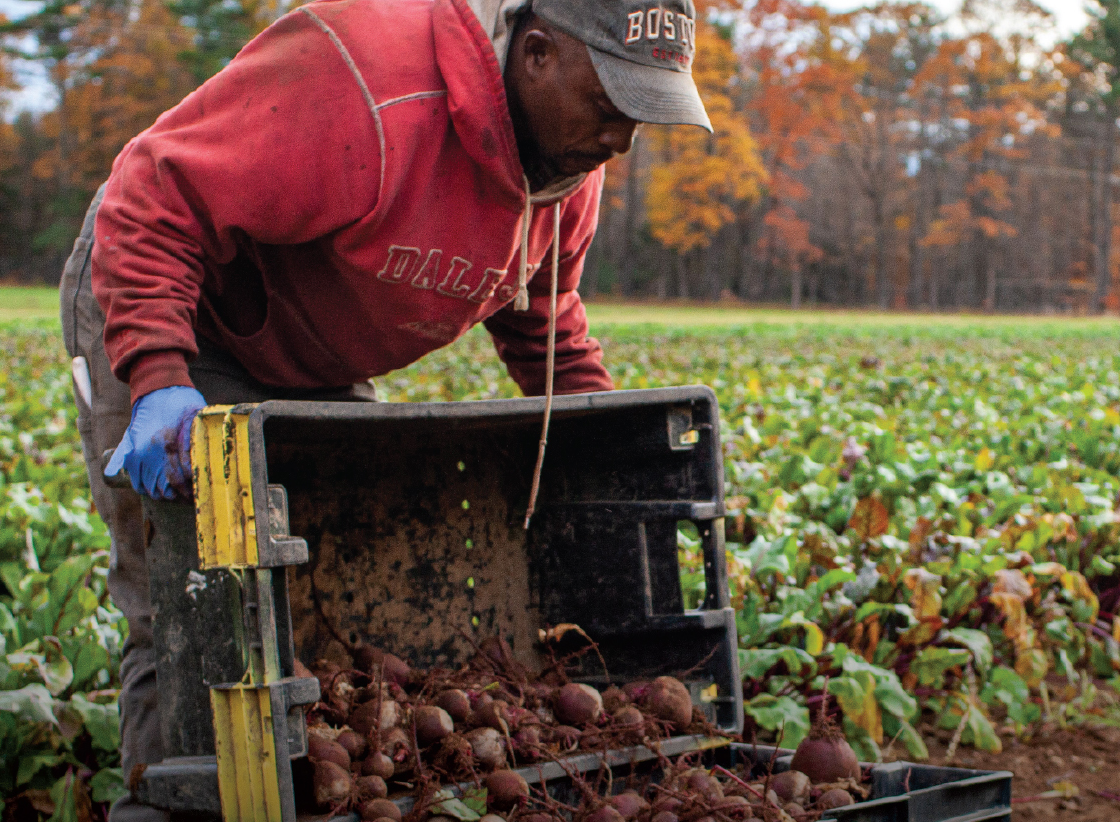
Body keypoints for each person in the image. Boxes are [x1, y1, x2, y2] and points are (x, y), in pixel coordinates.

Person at [57, 0, 710, 817]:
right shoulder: (368, 83)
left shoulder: (564, 170)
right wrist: (156, 373)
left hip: (320, 349)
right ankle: (173, 799)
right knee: (200, 612)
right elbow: (156, 192)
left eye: (643, 116)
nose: (621, 139)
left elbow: (541, 315)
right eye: (613, 106)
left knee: (332, 612)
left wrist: (604, 444)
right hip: (181, 307)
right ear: (537, 52)